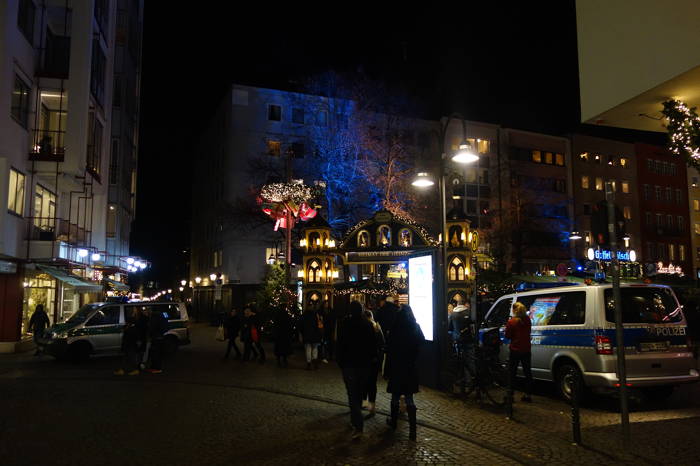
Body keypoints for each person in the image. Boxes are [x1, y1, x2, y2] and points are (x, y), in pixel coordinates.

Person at [337, 301, 377, 440]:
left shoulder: (345, 324)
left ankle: (357, 423)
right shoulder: (367, 324)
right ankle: (356, 419)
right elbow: (373, 345)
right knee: (359, 392)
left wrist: (340, 362)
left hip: (349, 364)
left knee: (352, 394)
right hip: (364, 365)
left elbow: (340, 344)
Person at [385, 304, 425, 441]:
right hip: (410, 367)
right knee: (409, 398)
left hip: (397, 367)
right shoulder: (415, 326)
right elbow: (421, 342)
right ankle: (412, 430)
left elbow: (388, 349)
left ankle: (394, 423)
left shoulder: (394, 329)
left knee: (395, 397)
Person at [505, 301, 533, 402]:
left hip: (515, 349)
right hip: (526, 349)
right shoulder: (528, 320)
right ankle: (528, 394)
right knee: (527, 372)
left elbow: (507, 336)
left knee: (512, 373)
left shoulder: (511, 322)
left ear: (514, 310)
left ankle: (510, 395)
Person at [362, 309, 384, 418]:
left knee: (363, 383)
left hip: (365, 360)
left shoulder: (363, 327)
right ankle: (371, 407)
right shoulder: (377, 327)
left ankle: (364, 403)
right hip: (374, 360)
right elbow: (382, 343)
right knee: (372, 385)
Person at [115, 308, 144, 376]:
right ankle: (122, 370)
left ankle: (136, 370)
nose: (126, 323)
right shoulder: (130, 328)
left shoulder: (132, 329)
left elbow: (131, 339)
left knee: (132, 358)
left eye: (127, 322)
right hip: (128, 346)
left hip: (130, 346)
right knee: (125, 358)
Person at [301, 305, 323, 370]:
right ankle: (314, 362)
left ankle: (309, 363)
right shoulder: (315, 315)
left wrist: (302, 333)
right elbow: (319, 325)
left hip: (307, 335)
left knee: (308, 349)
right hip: (315, 335)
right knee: (314, 349)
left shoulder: (304, 315)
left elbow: (301, 325)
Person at [147, 308, 168, 374]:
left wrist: (150, 334)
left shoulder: (154, 318)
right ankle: (154, 367)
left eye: (147, 310)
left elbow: (152, 328)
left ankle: (157, 368)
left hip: (156, 337)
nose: (147, 312)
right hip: (160, 336)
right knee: (157, 353)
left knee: (156, 353)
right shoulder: (160, 316)